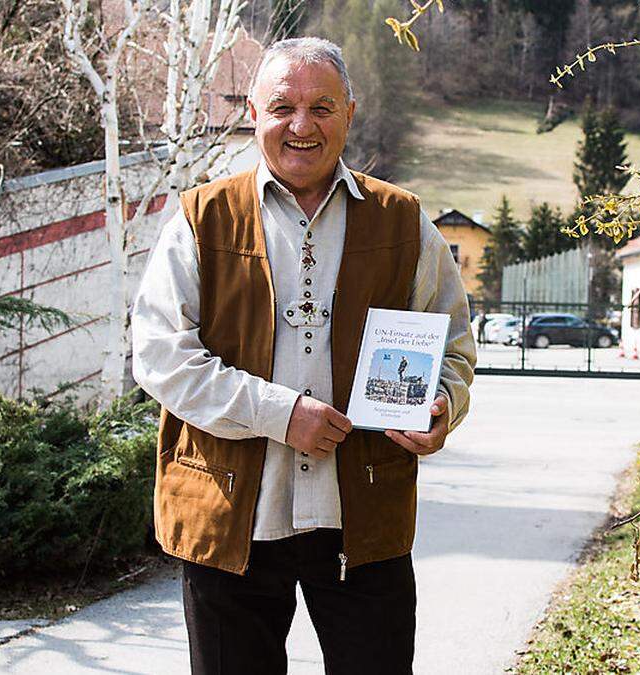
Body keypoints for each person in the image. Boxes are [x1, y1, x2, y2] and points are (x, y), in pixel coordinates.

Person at [131, 37, 475, 675]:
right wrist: (280, 413)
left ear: (350, 111)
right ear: (254, 114)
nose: (301, 125)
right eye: (282, 106)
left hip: (362, 516)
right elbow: (159, 355)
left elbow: (450, 340)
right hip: (231, 516)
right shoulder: (201, 217)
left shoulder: (403, 222)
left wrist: (441, 407)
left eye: (322, 106)